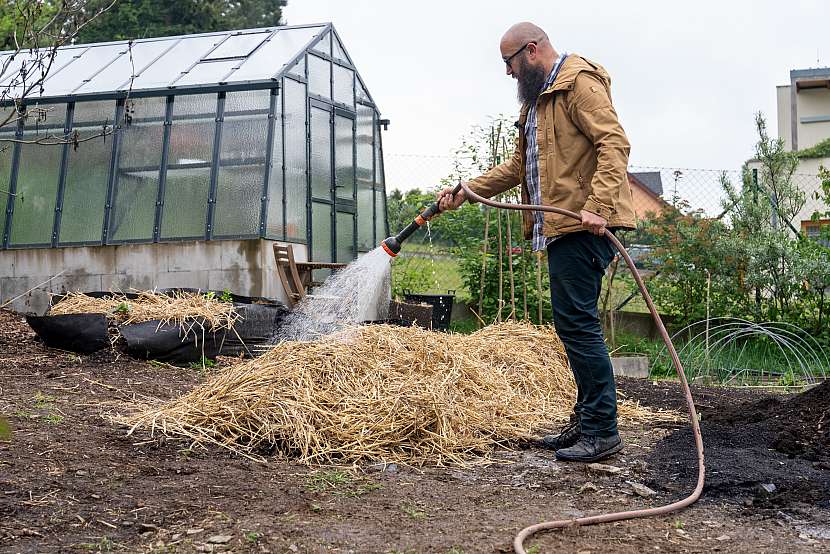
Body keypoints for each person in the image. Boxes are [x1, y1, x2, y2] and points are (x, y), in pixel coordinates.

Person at [437, 22, 636, 462]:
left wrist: (598, 206)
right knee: (571, 325)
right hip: (560, 227)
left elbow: (614, 144)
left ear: (530, 51)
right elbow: (517, 167)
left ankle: (602, 431)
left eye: (508, 62)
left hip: (583, 225)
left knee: (579, 326)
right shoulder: (538, 103)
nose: (507, 73)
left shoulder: (578, 83)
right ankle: (586, 422)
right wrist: (468, 190)